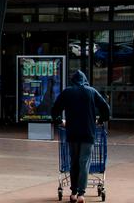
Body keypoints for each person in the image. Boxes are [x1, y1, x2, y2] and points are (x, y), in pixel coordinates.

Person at [50, 70, 111, 203]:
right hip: (88, 132)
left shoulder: (67, 92)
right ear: (84, 80)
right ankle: (81, 195)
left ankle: (73, 192)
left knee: (74, 162)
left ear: (73, 80)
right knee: (84, 162)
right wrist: (100, 120)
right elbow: (105, 108)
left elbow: (55, 109)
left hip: (72, 133)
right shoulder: (91, 91)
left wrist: (60, 121)